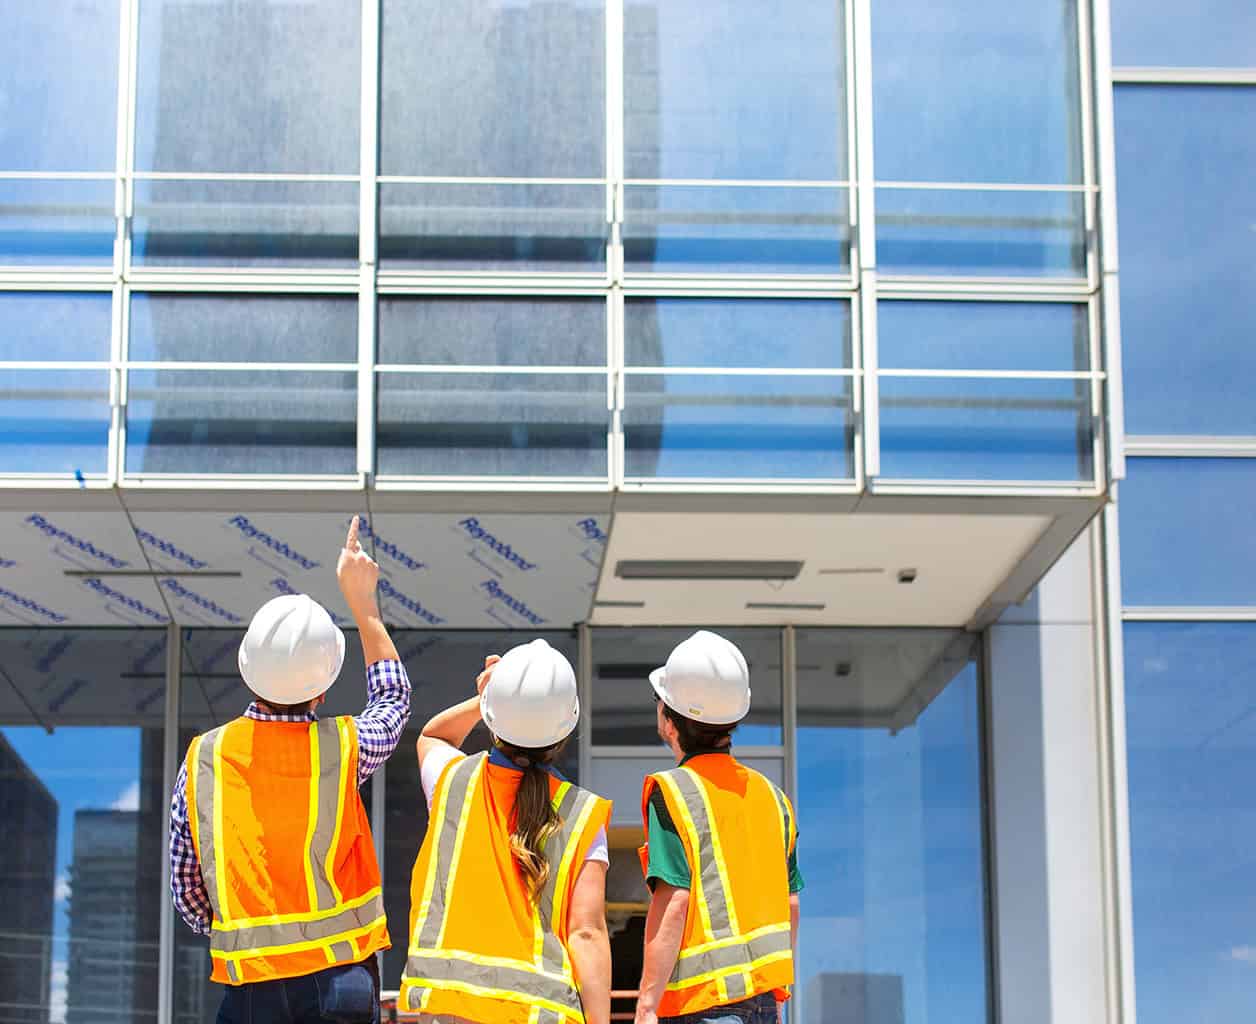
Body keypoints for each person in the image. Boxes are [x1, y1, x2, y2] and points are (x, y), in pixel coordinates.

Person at [169, 516, 410, 1023]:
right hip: (342, 979)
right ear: (323, 687)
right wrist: (362, 603)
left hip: (251, 988)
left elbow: (188, 891)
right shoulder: (344, 747)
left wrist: (245, 925)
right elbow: (393, 700)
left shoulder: (203, 760)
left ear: (247, 669)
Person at [398, 638, 613, 1024]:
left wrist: (487, 696)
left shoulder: (453, 783)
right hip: (539, 1014)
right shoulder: (582, 815)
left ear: (492, 715)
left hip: (453, 1008)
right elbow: (587, 933)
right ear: (566, 730)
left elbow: (433, 736)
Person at [633, 631, 803, 1024]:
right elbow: (790, 904)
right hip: (765, 1004)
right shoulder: (773, 798)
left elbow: (674, 901)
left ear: (668, 718)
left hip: (702, 1005)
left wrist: (646, 1005)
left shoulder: (672, 792)